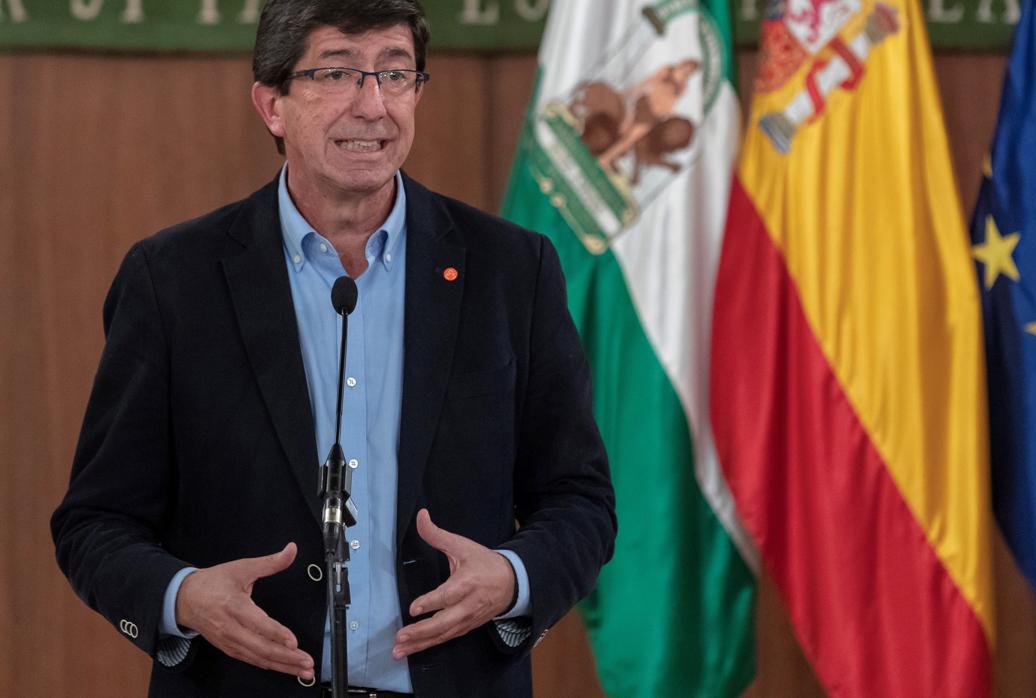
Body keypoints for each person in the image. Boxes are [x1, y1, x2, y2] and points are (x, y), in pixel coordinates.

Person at [49, 1, 616, 695]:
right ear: (272, 103)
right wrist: (183, 596)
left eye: (395, 74)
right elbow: (95, 523)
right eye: (337, 73)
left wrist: (513, 578)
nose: (372, 105)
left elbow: (578, 499)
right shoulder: (173, 281)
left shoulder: (510, 271)